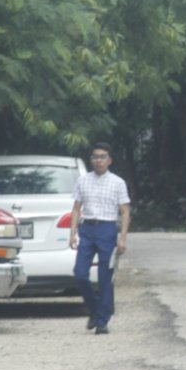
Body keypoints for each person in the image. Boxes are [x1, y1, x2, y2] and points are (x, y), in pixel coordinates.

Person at [69, 142, 131, 335]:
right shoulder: (83, 181)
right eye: (95, 157)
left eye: (103, 157)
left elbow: (125, 211)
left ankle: (102, 321)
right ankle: (95, 309)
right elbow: (76, 208)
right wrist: (72, 233)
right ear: (91, 160)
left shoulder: (118, 182)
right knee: (80, 273)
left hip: (107, 229)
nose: (99, 161)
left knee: (106, 277)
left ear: (109, 160)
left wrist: (122, 238)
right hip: (87, 229)